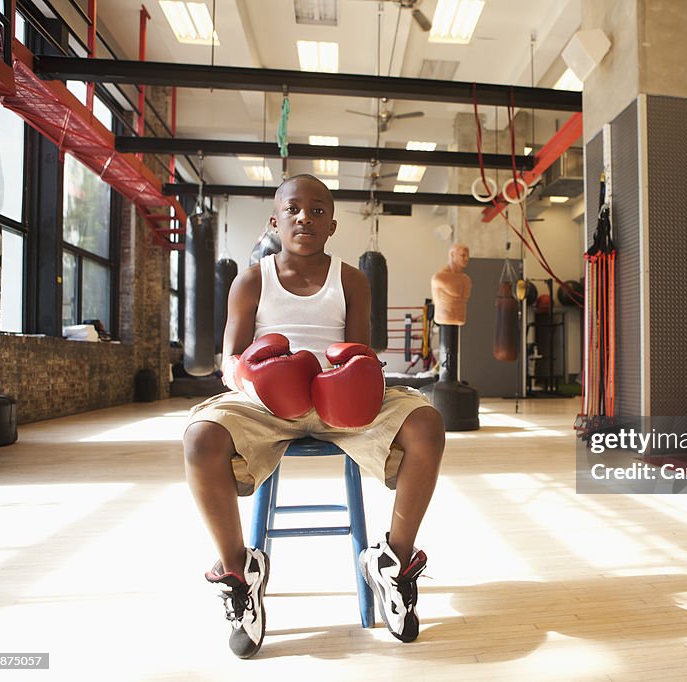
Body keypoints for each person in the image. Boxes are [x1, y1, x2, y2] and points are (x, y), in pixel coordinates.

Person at [183, 174, 445, 658]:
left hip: (338, 403)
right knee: (200, 439)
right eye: (294, 208)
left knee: (426, 423)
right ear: (275, 220)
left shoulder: (351, 279)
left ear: (332, 225)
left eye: (318, 210)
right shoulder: (251, 278)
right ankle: (240, 572)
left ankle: (393, 561)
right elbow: (229, 361)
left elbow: (362, 350)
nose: (305, 217)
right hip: (265, 404)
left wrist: (357, 374)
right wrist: (258, 377)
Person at [430, 243, 473, 325]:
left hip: (459, 319)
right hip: (444, 318)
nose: (466, 258)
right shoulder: (439, 278)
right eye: (463, 255)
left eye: (468, 256)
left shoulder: (466, 279)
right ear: (452, 255)